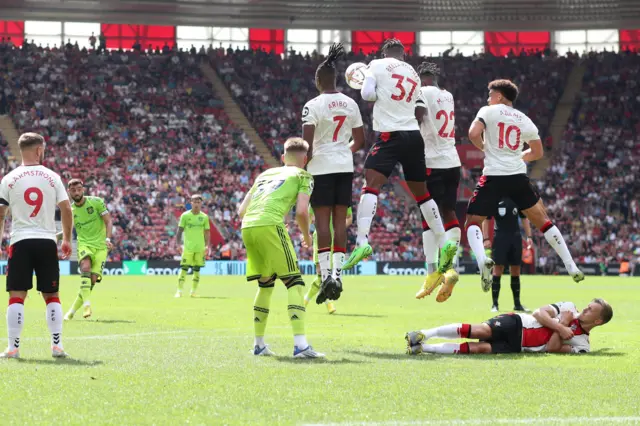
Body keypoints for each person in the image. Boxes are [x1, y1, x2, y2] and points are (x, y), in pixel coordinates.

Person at [343, 39, 454, 292]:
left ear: (384, 53)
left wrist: (372, 86)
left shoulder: (377, 64)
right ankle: (445, 241)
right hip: (413, 136)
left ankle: (362, 241)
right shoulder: (413, 73)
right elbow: (419, 110)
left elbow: (368, 94)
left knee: (370, 185)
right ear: (403, 55)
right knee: (422, 194)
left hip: (389, 134)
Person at [465, 79, 584, 292]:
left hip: (493, 175)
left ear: (499, 96)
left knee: (473, 222)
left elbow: (473, 134)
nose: (487, 98)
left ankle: (482, 260)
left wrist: (485, 147)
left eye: (490, 94)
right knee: (543, 221)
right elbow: (538, 153)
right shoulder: (524, 119)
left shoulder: (488, 111)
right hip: (517, 176)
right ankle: (570, 264)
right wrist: (520, 156)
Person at [238, 137, 324, 358]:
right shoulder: (304, 175)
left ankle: (258, 345)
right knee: (294, 283)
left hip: (248, 226)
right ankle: (301, 346)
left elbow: (241, 211)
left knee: (265, 284)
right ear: (305, 160)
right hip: (270, 225)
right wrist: (307, 236)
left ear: (283, 158)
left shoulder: (264, 175)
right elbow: (303, 212)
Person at [0, 133, 73, 359]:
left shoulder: (9, 179)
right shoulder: (52, 177)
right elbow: (67, 209)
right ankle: (57, 346)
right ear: (39, 150)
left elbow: (1, 213)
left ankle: (13, 348)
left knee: (17, 295)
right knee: (51, 294)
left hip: (20, 240)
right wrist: (67, 239)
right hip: (46, 240)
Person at [301, 43, 365, 303]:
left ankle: (326, 274)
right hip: (344, 166)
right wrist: (343, 152)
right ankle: (338, 275)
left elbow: (307, 146)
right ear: (337, 79)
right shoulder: (351, 103)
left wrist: (305, 166)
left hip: (321, 168)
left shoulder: (312, 105)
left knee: (322, 222)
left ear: (318, 80)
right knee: (340, 222)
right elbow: (360, 140)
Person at [406, 298, 612, 355]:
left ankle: (423, 348)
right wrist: (562, 326)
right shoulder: (568, 308)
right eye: (587, 306)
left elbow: (552, 349)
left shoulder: (583, 346)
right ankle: (424, 334)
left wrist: (561, 327)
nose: (584, 309)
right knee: (480, 331)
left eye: (590, 310)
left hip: (520, 346)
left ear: (598, 321)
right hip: (519, 322)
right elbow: (539, 313)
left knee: (481, 349)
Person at [414, 62, 461, 302]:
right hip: (453, 160)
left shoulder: (421, 92)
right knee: (449, 210)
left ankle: (432, 271)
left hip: (431, 161)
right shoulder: (448, 95)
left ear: (421, 77)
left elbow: (419, 115)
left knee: (427, 214)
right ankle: (452, 265)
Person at [62, 179, 113, 320]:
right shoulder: (70, 211)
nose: (77, 192)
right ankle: (87, 305)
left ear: (83, 189)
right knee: (85, 267)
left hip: (101, 246)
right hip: (84, 244)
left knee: (91, 281)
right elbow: (67, 229)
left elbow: (108, 221)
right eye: (73, 190)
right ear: (69, 192)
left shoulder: (96, 202)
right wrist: (56, 237)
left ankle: (71, 311)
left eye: (79, 189)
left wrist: (108, 239)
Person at [483, 196, 533, 312]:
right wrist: (486, 238)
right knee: (497, 270)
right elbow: (487, 219)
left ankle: (517, 304)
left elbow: (524, 217)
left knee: (516, 271)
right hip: (500, 237)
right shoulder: (495, 198)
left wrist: (529, 236)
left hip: (515, 238)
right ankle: (495, 304)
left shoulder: (516, 197)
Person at [304, 206, 353, 314]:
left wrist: (339, 227)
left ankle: (305, 301)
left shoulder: (341, 195)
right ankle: (325, 303)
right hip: (320, 238)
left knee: (324, 276)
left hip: (335, 240)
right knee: (321, 275)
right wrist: (307, 233)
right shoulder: (319, 193)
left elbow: (349, 217)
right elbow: (309, 215)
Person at [175, 194, 210, 298]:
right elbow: (179, 231)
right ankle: (179, 291)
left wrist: (207, 246)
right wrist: (178, 244)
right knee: (184, 268)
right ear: (191, 203)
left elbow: (207, 232)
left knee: (197, 270)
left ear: (201, 203)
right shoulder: (185, 216)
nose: (196, 204)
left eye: (198, 202)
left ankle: (193, 292)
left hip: (200, 248)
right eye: (194, 202)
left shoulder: (204, 217)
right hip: (188, 248)